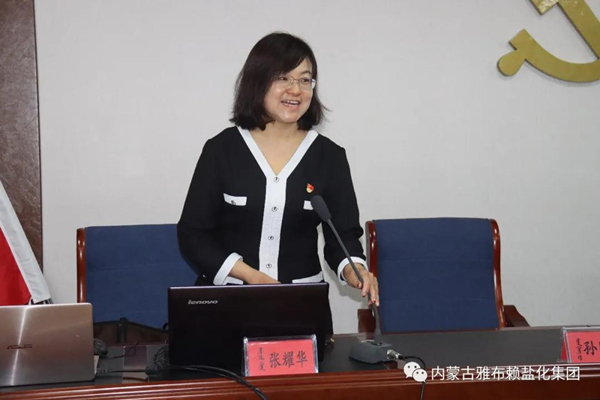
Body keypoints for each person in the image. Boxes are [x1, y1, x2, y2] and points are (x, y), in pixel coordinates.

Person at [177, 32, 379, 313]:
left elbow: (342, 236)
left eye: (304, 80)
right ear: (257, 82)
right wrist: (250, 276)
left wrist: (354, 269)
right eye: (283, 78)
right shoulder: (221, 150)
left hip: (302, 306)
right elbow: (193, 235)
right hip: (226, 304)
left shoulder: (329, 156)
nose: (295, 90)